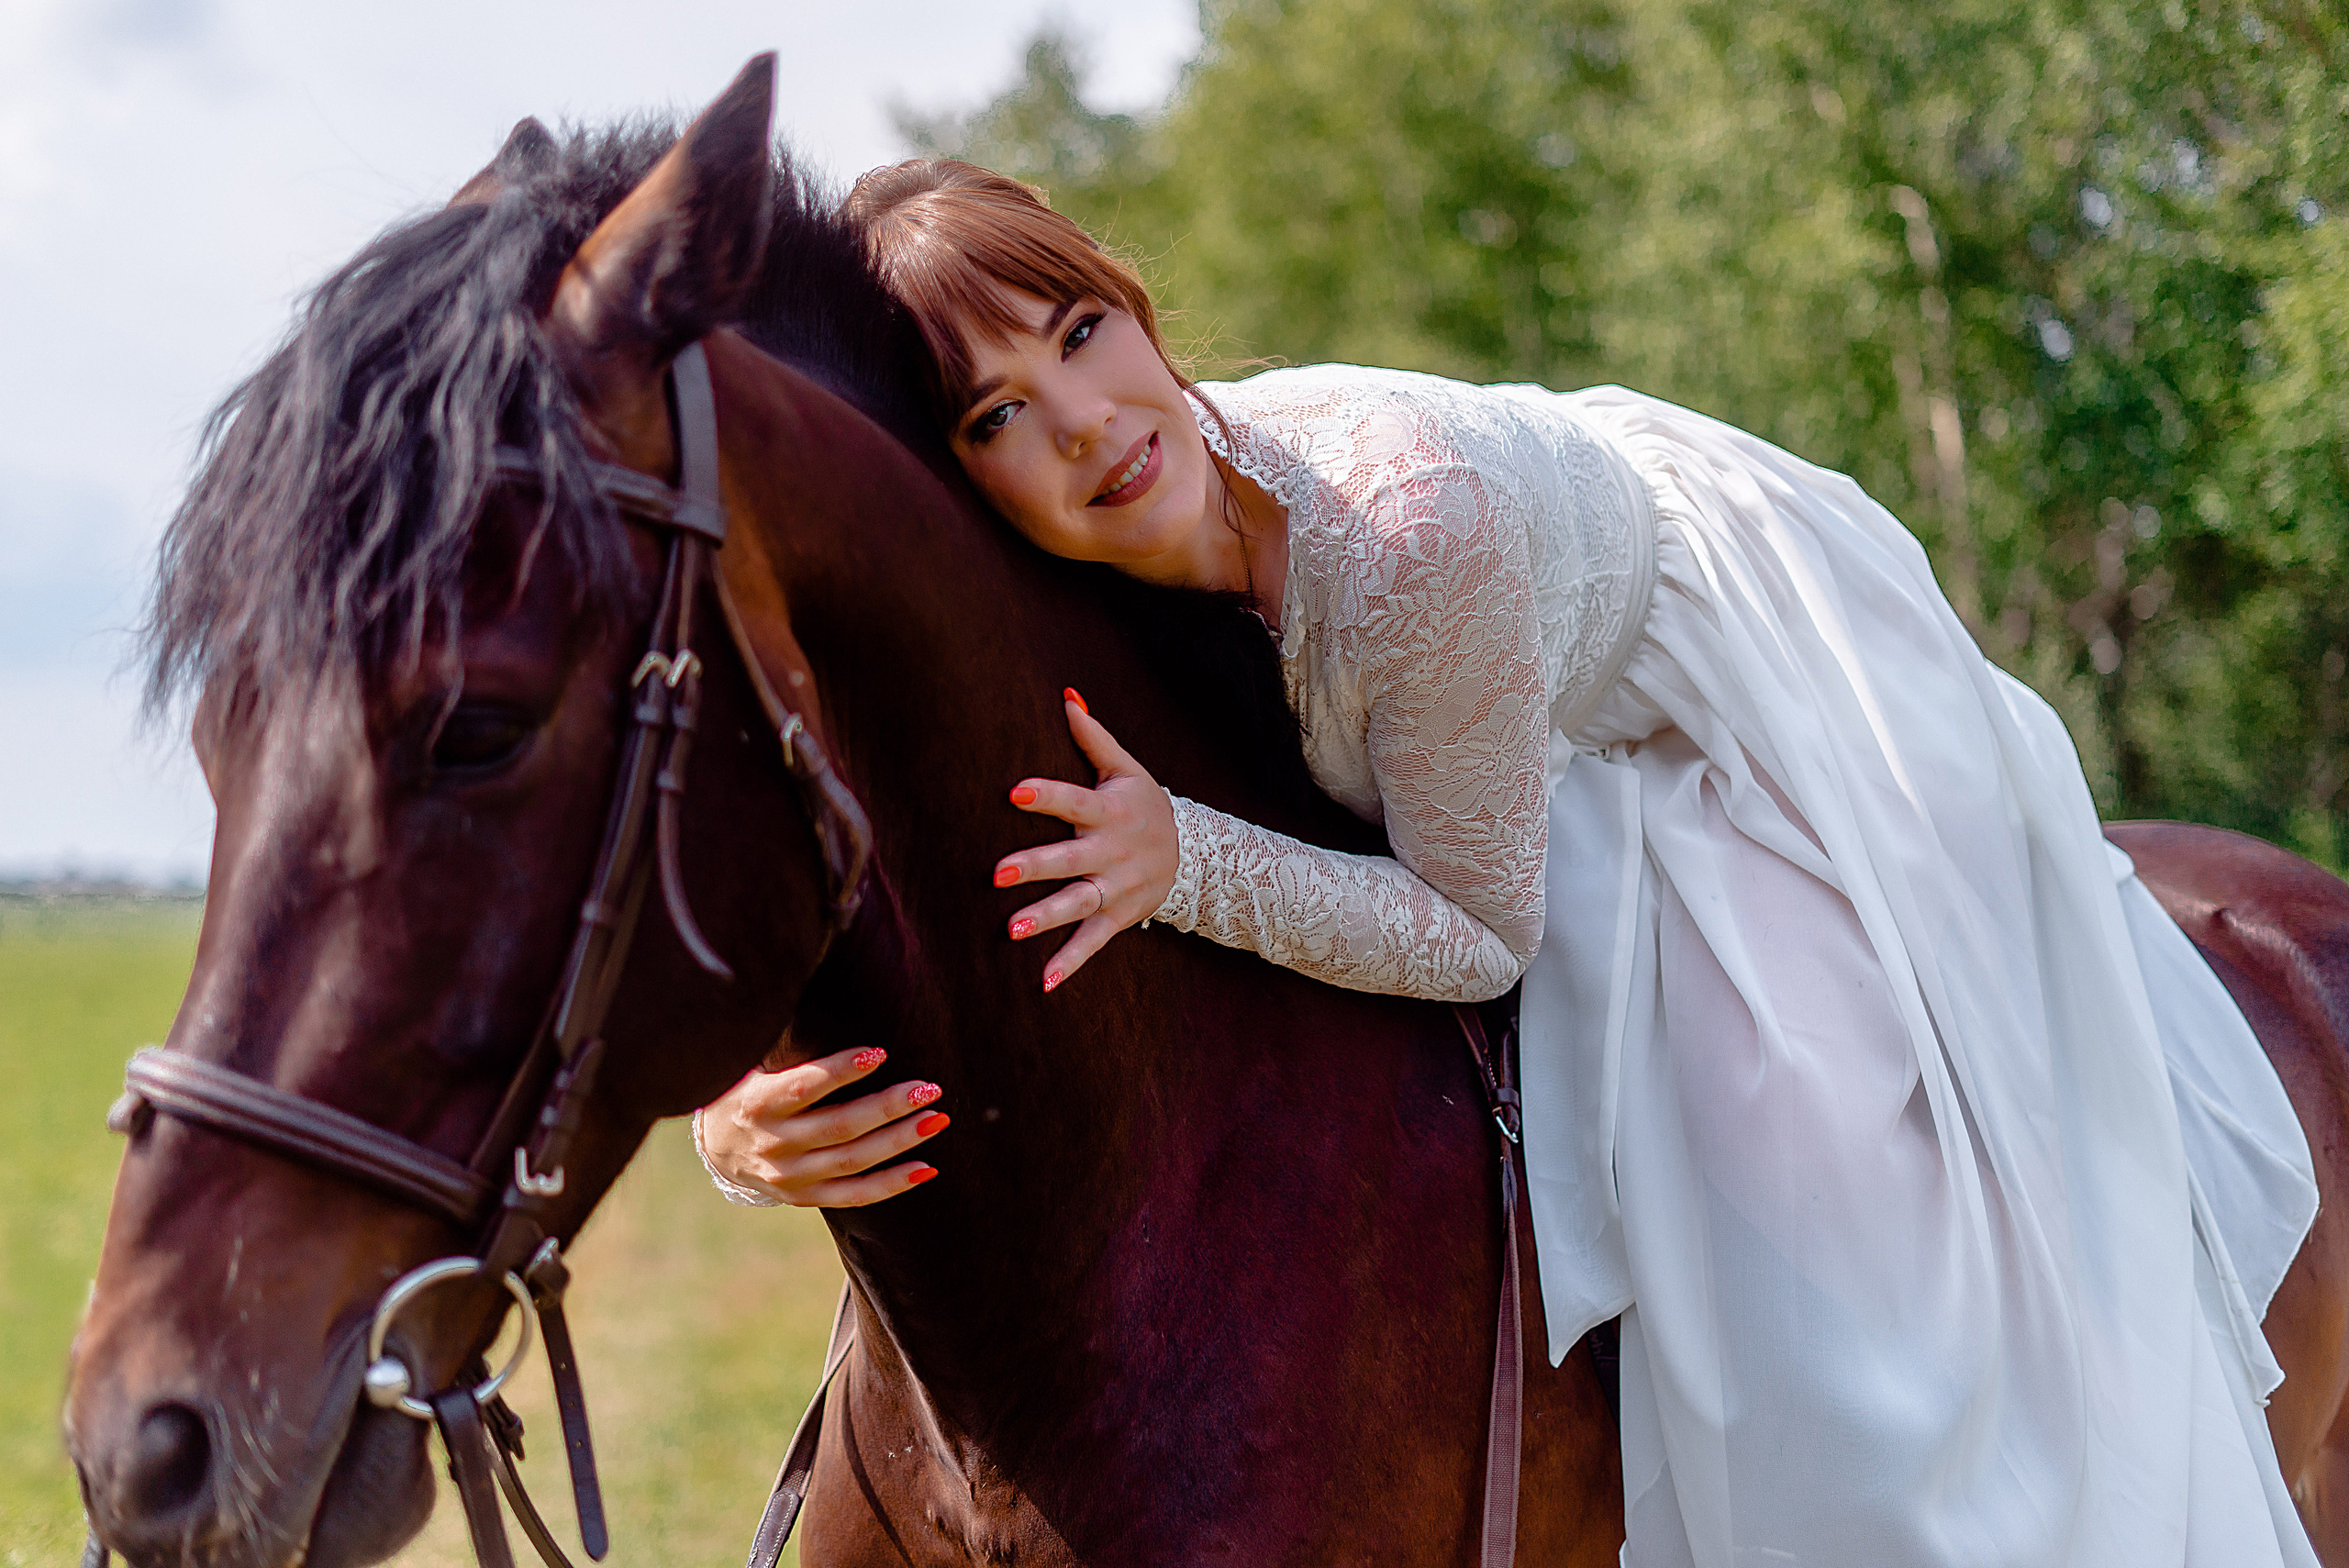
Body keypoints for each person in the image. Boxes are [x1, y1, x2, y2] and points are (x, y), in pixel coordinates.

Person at [693, 160, 2321, 1565]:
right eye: (998, 412)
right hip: (1473, 718)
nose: (1086, 422)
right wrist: (731, 1110)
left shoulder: (1403, 543)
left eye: (1079, 333)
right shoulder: (1087, 550)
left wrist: (1186, 858)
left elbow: (1478, 929)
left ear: (1128, 300)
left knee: (1818, 1166)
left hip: (1693, 678)